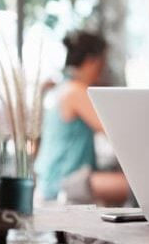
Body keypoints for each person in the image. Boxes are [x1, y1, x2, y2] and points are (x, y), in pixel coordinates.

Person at [34, 31, 130, 206]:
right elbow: (113, 132)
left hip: (54, 178)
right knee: (135, 187)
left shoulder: (63, 87)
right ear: (91, 60)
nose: (104, 67)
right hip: (64, 182)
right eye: (103, 61)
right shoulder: (75, 91)